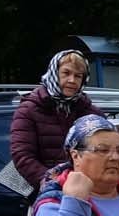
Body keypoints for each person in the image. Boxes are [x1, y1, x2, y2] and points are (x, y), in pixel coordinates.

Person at [9, 49, 99, 189]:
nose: (72, 80)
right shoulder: (29, 110)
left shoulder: (92, 113)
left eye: (78, 76)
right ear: (54, 73)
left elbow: (104, 152)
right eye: (66, 73)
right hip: (47, 191)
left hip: (88, 190)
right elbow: (23, 156)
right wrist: (55, 183)